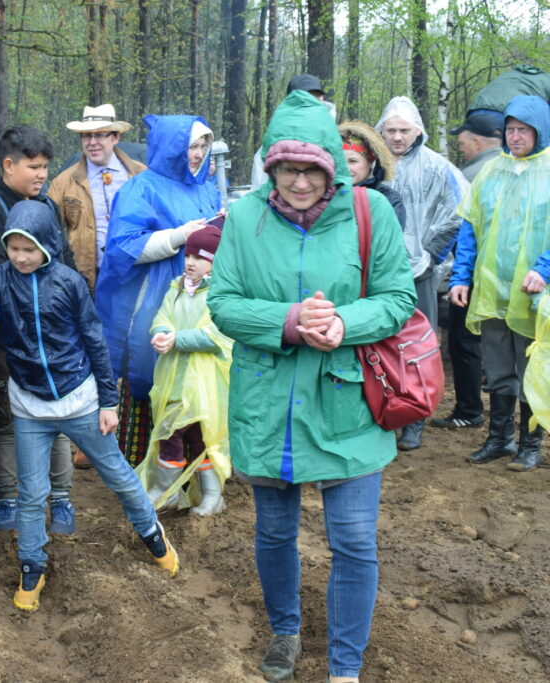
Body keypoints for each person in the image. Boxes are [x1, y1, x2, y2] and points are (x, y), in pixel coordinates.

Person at [208, 90, 416, 683]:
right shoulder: (244, 218)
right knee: (275, 531)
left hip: (347, 399)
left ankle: (345, 668)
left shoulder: (370, 212)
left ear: (333, 164)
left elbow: (398, 298)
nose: (299, 182)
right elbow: (223, 303)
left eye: (313, 169)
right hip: (268, 401)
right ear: (270, 166)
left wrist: (345, 323)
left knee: (353, 540)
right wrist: (289, 321)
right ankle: (285, 631)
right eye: (286, 169)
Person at [0, 199, 180, 612]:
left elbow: (95, 342)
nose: (20, 257)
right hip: (29, 405)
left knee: (118, 474)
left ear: (47, 245)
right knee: (32, 492)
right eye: (13, 248)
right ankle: (32, 563)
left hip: (79, 400)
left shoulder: (69, 282)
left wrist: (108, 401)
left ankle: (151, 534)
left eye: (29, 249)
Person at [96, 114, 222, 466]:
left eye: (203, 146)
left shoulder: (206, 188)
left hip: (199, 297)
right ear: (171, 148)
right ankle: (141, 469)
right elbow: (122, 249)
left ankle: (194, 469)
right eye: (191, 146)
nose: (197, 154)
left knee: (194, 372)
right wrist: (180, 236)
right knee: (150, 367)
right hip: (154, 296)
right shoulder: (140, 189)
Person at [0, 125, 77, 533]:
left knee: (57, 414)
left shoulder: (49, 206)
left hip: (54, 336)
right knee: (5, 417)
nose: (42, 175)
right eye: (34, 167)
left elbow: (65, 259)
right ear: (9, 165)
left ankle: (62, 499)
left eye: (45, 167)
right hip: (6, 339)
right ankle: (6, 499)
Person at [449, 95, 550, 472]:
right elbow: (470, 228)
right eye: (510, 129)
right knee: (498, 366)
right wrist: (462, 276)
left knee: (531, 368)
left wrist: (544, 269)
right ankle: (499, 437)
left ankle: (530, 443)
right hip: (492, 290)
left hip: (534, 292)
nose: (515, 136)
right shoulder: (492, 171)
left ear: (540, 131)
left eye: (524, 129)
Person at [376, 95, 468, 451]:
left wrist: (431, 255)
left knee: (416, 346)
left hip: (420, 273)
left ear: (418, 131)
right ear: (381, 130)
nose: (397, 137)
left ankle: (414, 419)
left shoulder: (437, 167)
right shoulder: (373, 165)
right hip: (376, 271)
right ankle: (383, 413)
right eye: (390, 130)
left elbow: (459, 213)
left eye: (404, 130)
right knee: (379, 344)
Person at [140, 225, 232, 517]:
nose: (190, 262)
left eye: (200, 257)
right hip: (175, 377)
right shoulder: (177, 288)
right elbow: (163, 316)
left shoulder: (221, 294)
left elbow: (216, 336)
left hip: (205, 382)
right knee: (172, 430)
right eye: (188, 255)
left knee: (199, 436)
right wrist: (161, 332)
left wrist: (176, 339)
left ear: (215, 262)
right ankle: (167, 491)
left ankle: (211, 496)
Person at [430, 112, 503, 431]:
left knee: (464, 341)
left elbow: (456, 227)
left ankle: (469, 409)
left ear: (477, 141)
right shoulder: (514, 169)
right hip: (506, 276)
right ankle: (503, 423)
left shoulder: (472, 175)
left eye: (462, 141)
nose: (460, 147)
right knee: (505, 348)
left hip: (472, 273)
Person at [48, 103, 147, 291]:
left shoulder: (140, 175)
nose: (92, 142)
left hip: (136, 276)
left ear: (115, 137)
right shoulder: (63, 183)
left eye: (100, 135)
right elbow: (50, 233)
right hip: (86, 282)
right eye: (86, 135)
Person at [250, 74, 333, 190]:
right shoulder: (272, 146)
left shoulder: (338, 140)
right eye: (304, 99)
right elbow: (260, 189)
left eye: (315, 98)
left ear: (322, 100)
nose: (310, 104)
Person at [337, 120, 406, 229]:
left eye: (353, 161)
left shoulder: (389, 199)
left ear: (370, 162)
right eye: (340, 161)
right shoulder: (324, 194)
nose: (345, 168)